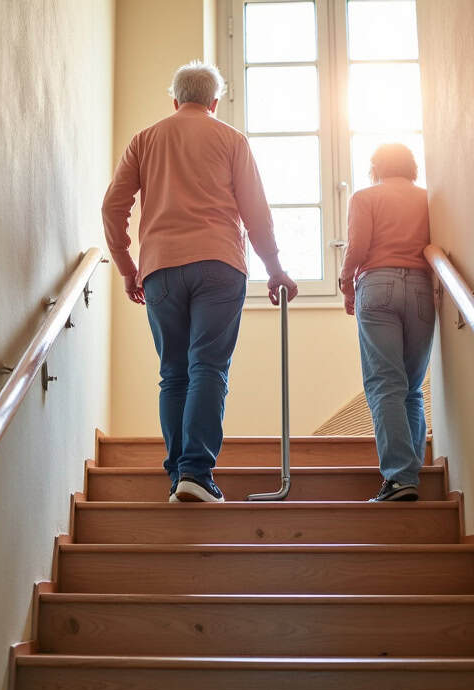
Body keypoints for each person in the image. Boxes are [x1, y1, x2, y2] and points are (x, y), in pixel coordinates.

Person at [102, 61, 298, 503]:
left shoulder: (145, 140)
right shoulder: (231, 140)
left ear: (174, 100)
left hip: (160, 269)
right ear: (214, 102)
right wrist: (274, 268)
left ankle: (179, 478)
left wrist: (127, 267)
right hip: (219, 264)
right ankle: (196, 471)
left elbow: (112, 207)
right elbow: (256, 212)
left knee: (173, 373)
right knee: (207, 367)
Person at [338, 143, 433, 502]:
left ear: (375, 167)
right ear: (412, 167)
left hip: (378, 287)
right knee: (411, 386)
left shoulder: (366, 197)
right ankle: (409, 472)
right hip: (423, 289)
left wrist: (346, 283)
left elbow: (358, 246)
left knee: (384, 383)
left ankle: (398, 477)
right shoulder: (428, 198)